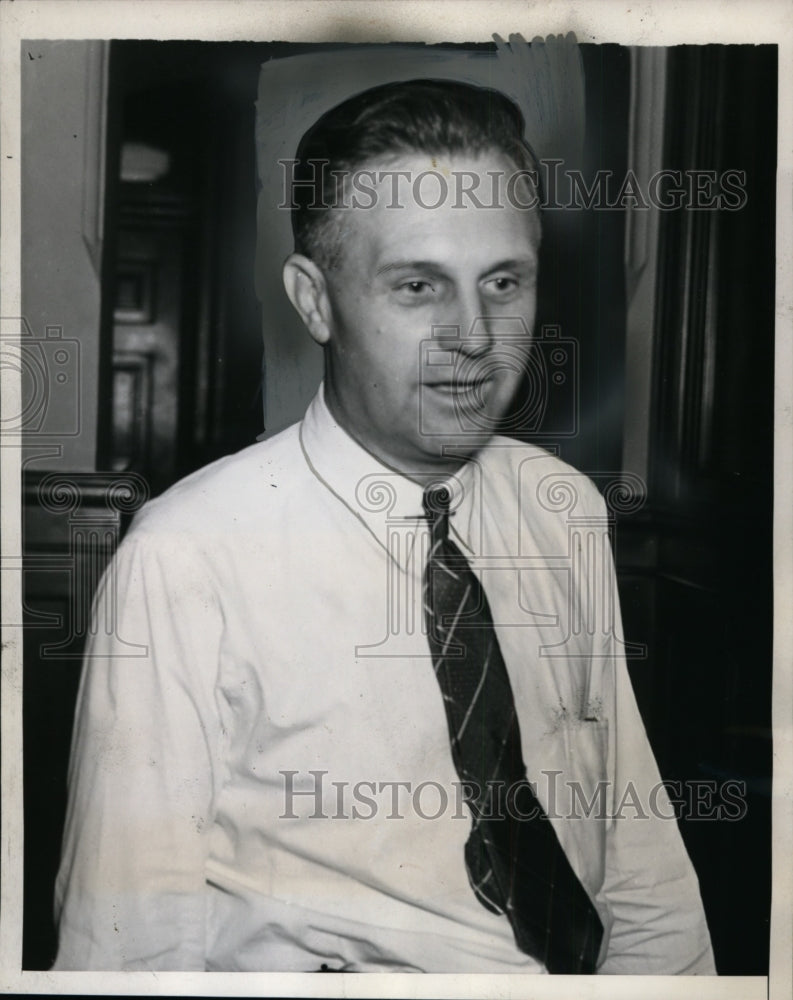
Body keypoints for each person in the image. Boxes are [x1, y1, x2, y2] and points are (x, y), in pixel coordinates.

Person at [52, 79, 715, 974]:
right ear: (314, 300)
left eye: (503, 282)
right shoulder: (187, 556)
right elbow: (124, 942)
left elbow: (633, 852)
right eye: (416, 286)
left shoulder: (563, 511)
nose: (473, 337)